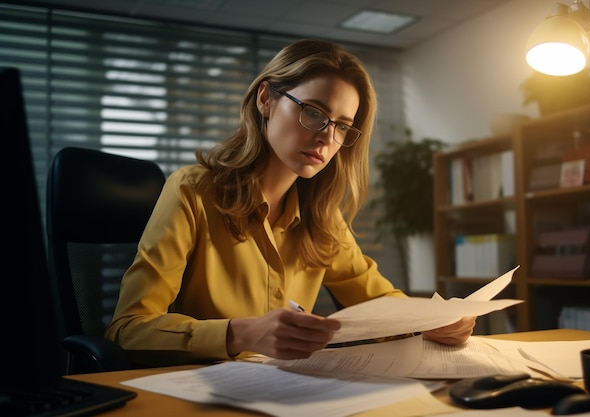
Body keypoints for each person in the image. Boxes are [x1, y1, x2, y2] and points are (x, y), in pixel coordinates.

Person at [105, 38, 475, 367]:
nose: (326, 138)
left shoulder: (322, 216)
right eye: (313, 112)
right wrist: (243, 334)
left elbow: (378, 302)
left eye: (342, 125)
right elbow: (128, 329)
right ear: (265, 99)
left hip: (286, 390)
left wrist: (433, 320)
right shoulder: (192, 191)